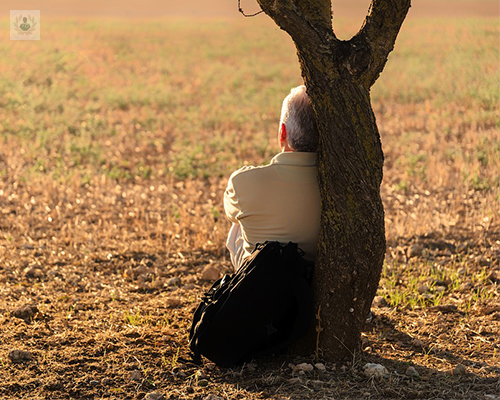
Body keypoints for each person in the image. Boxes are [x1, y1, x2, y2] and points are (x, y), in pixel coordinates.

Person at [224, 85, 321, 271]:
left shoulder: (243, 182)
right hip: (313, 282)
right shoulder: (340, 185)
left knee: (238, 224)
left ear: (282, 132)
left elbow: (230, 213)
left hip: (261, 284)